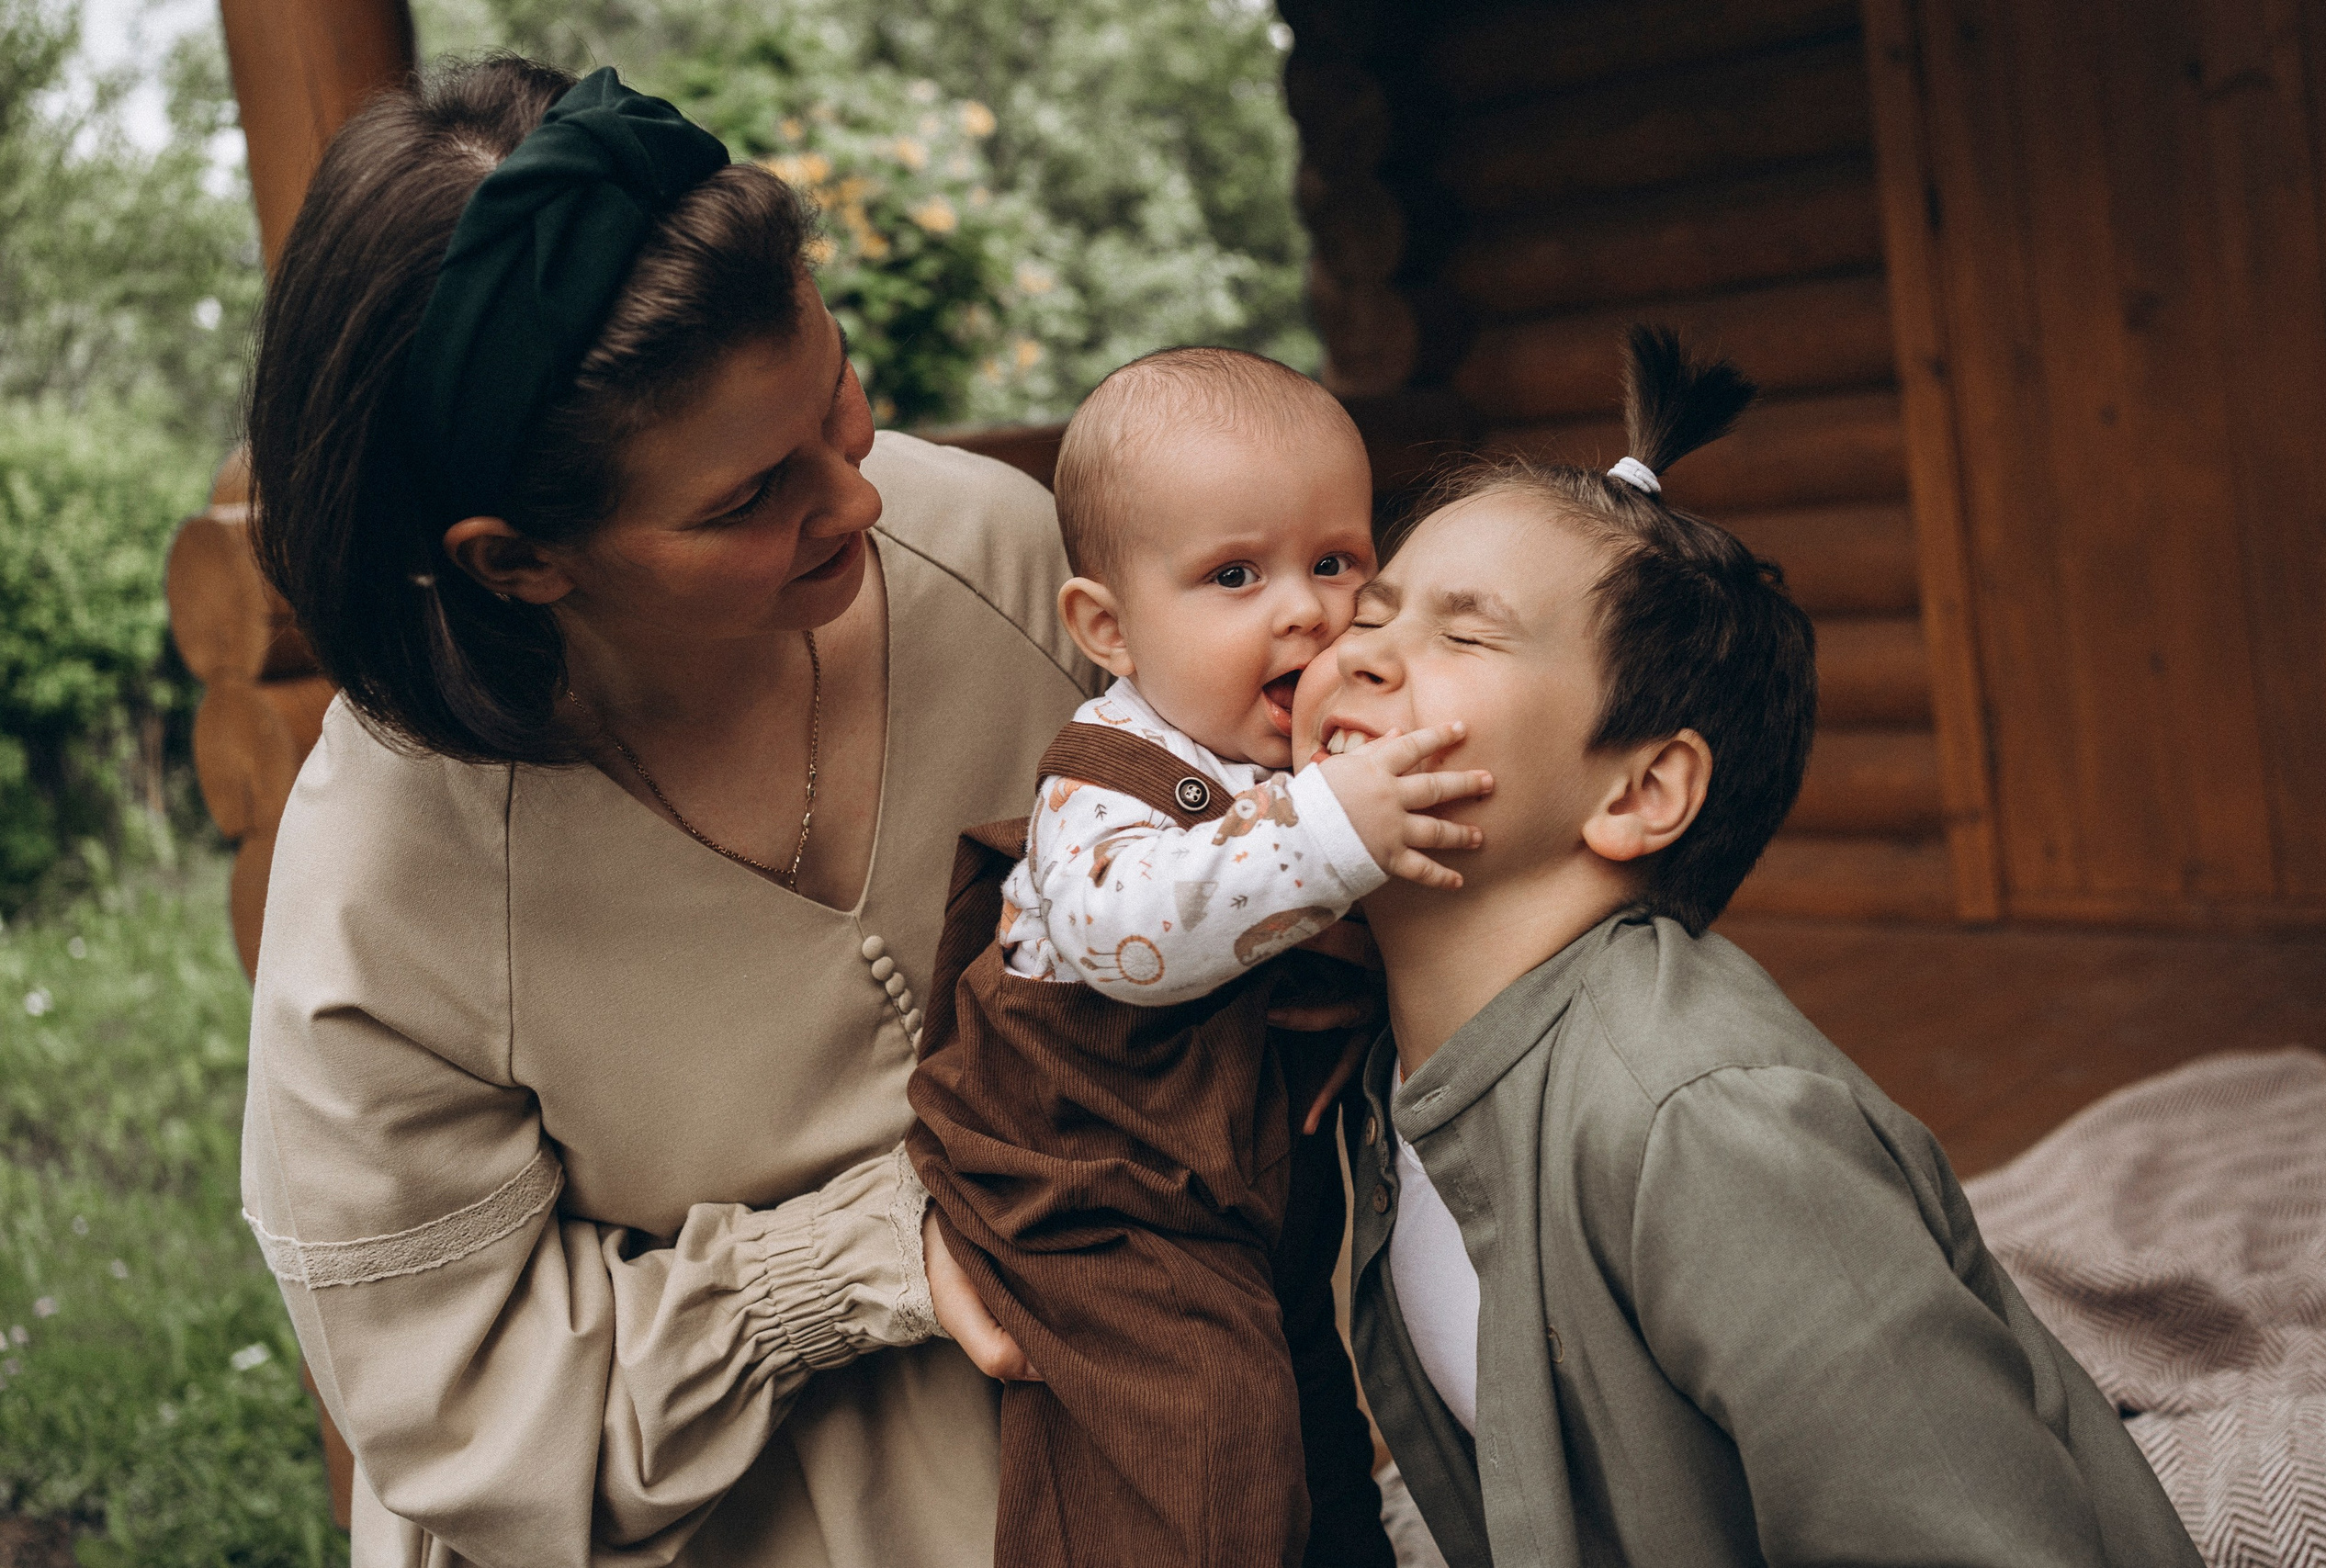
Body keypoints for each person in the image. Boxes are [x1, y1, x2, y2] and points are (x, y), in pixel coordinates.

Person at [236, 59, 1372, 1568]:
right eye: (751, 497)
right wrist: (858, 1256)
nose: (861, 504)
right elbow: (451, 1401)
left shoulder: (1005, 555)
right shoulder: (388, 875)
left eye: (840, 402)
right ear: (518, 562)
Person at [1299, 328, 2204, 1568]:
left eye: (1464, 634)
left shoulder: (1707, 1126)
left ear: (1640, 792)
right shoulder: (1374, 1076)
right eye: (1373, 610)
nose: (1356, 649)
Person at [907, 348, 1487, 1568]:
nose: (1308, 608)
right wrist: (1336, 831)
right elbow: (1137, 940)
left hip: (1240, 1188)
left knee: (1312, 1420)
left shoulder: (1309, 764)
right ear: (1107, 627)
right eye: (1235, 574)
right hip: (1093, 1198)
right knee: (1202, 1456)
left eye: (1339, 561)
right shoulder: (1103, 774)